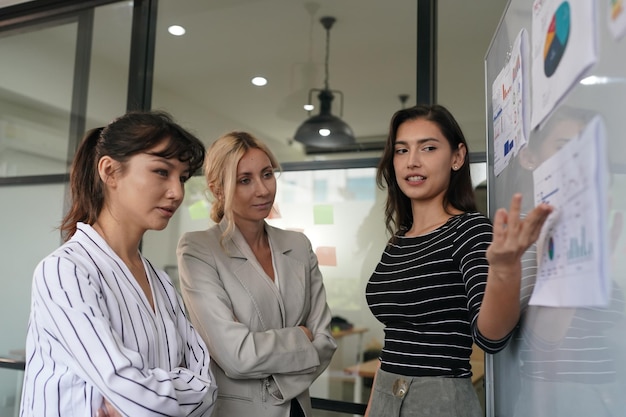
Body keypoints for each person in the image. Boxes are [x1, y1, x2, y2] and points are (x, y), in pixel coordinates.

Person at [19, 111, 218, 417]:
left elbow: (206, 386)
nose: (177, 192)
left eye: (182, 177)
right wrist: (148, 395)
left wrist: (138, 400)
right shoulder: (65, 270)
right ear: (110, 171)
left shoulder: (160, 281)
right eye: (162, 172)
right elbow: (128, 386)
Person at [363, 104, 553, 417]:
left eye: (428, 147)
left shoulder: (469, 230)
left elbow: (491, 337)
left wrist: (505, 270)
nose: (412, 161)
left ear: (457, 157)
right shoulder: (398, 241)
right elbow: (393, 345)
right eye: (401, 150)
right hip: (385, 394)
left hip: (438, 401)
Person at [176, 131, 337, 417]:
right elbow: (236, 355)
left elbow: (325, 340)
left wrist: (274, 378)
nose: (263, 190)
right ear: (218, 189)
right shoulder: (199, 249)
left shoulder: (297, 245)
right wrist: (301, 336)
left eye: (267, 174)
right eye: (245, 180)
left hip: (299, 409)